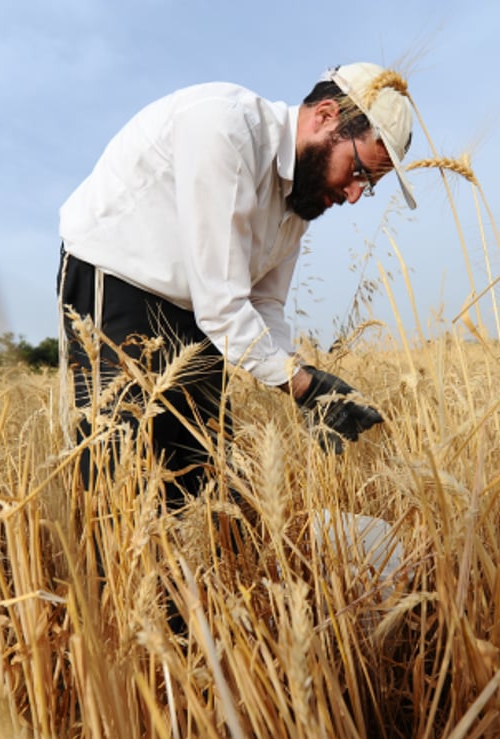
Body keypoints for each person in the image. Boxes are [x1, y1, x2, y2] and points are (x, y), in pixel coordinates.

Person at [58, 62, 416, 502]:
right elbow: (224, 305)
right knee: (120, 481)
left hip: (197, 313)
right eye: (360, 171)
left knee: (202, 477)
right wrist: (303, 386)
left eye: (371, 186)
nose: (355, 194)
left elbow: (264, 306)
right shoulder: (226, 129)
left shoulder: (296, 205)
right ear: (326, 116)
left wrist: (311, 387)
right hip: (116, 283)